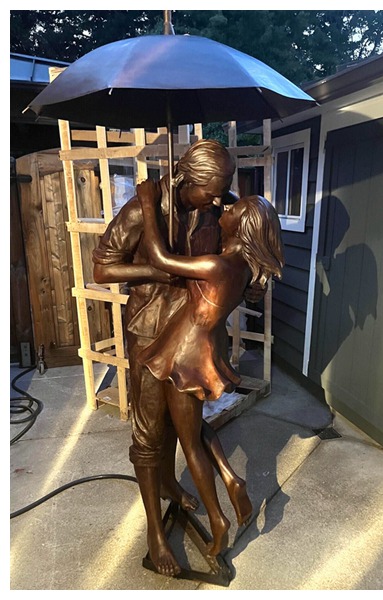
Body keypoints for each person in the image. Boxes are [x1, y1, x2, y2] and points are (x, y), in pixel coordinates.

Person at [92, 138, 259, 576]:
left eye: (224, 188)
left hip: (192, 341)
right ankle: (156, 532)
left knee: (185, 425)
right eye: (213, 189)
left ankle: (172, 484)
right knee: (149, 433)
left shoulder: (218, 212)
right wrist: (155, 271)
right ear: (188, 178)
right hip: (149, 336)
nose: (221, 198)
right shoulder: (139, 209)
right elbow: (103, 268)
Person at [136, 179, 284, 560]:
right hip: (205, 347)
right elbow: (240, 211)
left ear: (243, 226)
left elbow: (158, 257)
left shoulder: (216, 265)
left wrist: (149, 204)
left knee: (189, 444)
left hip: (184, 354)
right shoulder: (246, 269)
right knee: (192, 425)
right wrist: (238, 203)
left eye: (232, 209)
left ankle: (218, 520)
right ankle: (233, 481)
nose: (224, 207)